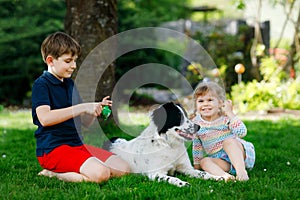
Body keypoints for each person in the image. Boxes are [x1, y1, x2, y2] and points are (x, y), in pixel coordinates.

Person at [31, 32, 130, 183]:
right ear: (50, 60)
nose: (74, 66)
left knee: (123, 168)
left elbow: (85, 122)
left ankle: (82, 167)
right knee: (102, 174)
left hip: (77, 145)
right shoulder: (42, 84)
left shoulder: (70, 84)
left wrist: (95, 110)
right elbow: (45, 119)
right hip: (53, 149)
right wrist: (82, 107)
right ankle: (52, 173)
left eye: (75, 61)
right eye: (68, 61)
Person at [191, 81, 255, 181]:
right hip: (222, 161)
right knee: (204, 161)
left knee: (228, 142)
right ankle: (225, 176)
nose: (205, 104)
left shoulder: (225, 118)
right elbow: (197, 146)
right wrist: (197, 166)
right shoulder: (196, 123)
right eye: (201, 101)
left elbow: (242, 132)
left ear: (220, 103)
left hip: (239, 154)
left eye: (210, 100)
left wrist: (230, 113)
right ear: (196, 104)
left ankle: (241, 172)